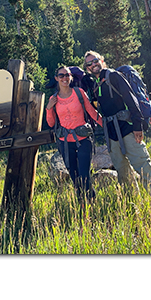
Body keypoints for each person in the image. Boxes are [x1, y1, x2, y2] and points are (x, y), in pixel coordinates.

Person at [83, 50, 151, 204]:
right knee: (123, 173)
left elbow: (131, 99)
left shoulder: (114, 76)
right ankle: (134, 205)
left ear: (101, 60)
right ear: (87, 68)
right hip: (112, 135)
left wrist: (137, 126)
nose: (93, 64)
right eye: (89, 63)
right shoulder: (96, 84)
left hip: (128, 130)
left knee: (143, 168)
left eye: (95, 61)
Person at [46, 64, 101, 201]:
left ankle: (90, 204)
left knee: (84, 174)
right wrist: (48, 108)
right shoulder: (53, 99)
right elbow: (51, 123)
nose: (65, 78)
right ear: (56, 78)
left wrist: (106, 125)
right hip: (65, 142)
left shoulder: (79, 92)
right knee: (74, 177)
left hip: (83, 138)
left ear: (71, 77)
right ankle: (82, 204)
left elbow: (92, 112)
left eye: (67, 75)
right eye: (61, 75)